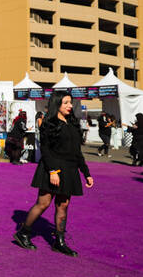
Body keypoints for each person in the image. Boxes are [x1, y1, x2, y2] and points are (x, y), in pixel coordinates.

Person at [13, 91, 94, 256]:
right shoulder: (49, 124)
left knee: (63, 205)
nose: (70, 106)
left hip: (70, 169)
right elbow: (45, 149)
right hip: (52, 167)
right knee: (43, 203)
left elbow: (77, 152)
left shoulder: (72, 123)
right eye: (66, 103)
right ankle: (23, 233)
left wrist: (86, 172)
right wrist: (52, 171)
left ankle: (59, 241)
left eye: (70, 102)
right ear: (57, 104)